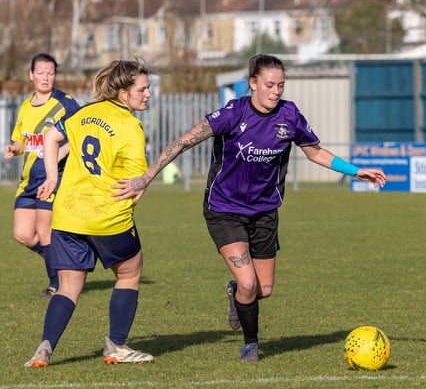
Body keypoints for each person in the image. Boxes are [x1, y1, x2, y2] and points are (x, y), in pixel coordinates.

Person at [113, 54, 386, 362]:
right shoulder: (233, 113)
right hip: (224, 209)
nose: (276, 91)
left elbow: (315, 153)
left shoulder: (290, 114)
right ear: (253, 83)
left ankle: (236, 294)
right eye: (269, 84)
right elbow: (184, 141)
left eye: (281, 85)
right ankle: (251, 344)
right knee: (249, 282)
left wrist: (355, 170)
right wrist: (147, 177)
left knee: (263, 289)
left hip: (265, 211)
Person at [24, 59, 155, 367]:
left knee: (68, 286)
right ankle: (116, 346)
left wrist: (53, 177)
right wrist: (136, 194)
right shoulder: (130, 126)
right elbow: (137, 183)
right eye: (143, 89)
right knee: (130, 272)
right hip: (106, 216)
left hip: (67, 214)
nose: (148, 94)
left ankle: (44, 348)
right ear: (123, 93)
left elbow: (50, 137)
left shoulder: (83, 111)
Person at [4, 53, 80, 298]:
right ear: (31, 75)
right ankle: (54, 259)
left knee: (44, 229)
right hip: (27, 182)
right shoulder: (26, 106)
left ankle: (55, 284)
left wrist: (58, 154)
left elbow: (80, 135)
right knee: (23, 234)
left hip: (52, 178)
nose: (46, 77)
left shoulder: (66, 104)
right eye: (41, 72)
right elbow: (22, 140)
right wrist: (14, 148)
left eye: (51, 73)